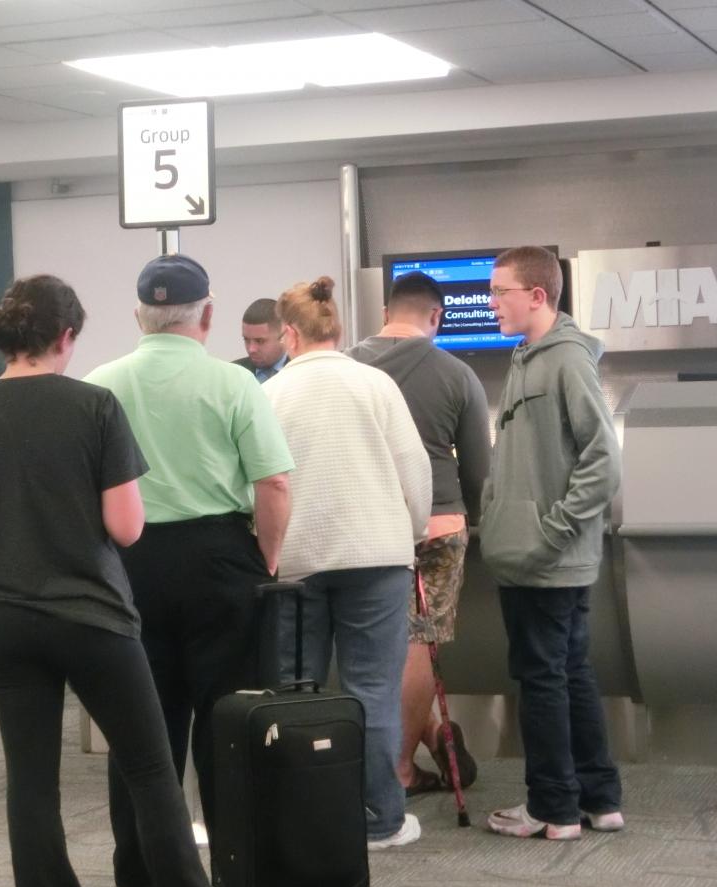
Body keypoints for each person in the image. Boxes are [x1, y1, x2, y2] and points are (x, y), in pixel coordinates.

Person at [0, 274, 271, 887]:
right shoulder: (94, 406)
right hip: (93, 617)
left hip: (3, 616)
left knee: (31, 785)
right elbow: (127, 526)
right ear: (65, 336)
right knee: (151, 771)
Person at [85, 255, 294, 887]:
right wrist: (265, 561)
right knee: (227, 720)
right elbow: (274, 484)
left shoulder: (99, 386)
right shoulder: (235, 384)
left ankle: (138, 871)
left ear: (138, 316)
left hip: (130, 564)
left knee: (141, 727)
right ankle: (235, 869)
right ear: (207, 316)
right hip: (221, 561)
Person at [263, 276, 432, 850]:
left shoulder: (270, 394)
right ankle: (381, 820)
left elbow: (257, 484)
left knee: (297, 693)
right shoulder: (376, 384)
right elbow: (415, 471)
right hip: (378, 558)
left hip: (296, 563)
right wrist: (408, 533)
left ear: (290, 334)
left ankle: (302, 817)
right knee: (373, 692)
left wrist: (267, 550)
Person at [479, 245, 624, 841]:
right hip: (536, 552)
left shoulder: (565, 359)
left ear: (537, 295)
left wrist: (554, 529)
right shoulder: (527, 357)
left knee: (543, 677)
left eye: (500, 292)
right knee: (569, 672)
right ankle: (598, 799)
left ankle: (554, 809)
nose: (491, 303)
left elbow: (603, 460)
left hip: (545, 556)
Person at [348, 271, 491, 797]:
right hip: (435, 524)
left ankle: (426, 733)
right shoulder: (456, 373)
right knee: (417, 642)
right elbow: (478, 470)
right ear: (436, 317)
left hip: (361, 526)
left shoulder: (345, 366)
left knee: (369, 644)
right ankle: (400, 769)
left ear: (387, 312)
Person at [233, 297, 288, 382]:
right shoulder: (234, 373)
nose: (251, 349)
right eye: (246, 340)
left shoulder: (302, 371)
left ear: (283, 336)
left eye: (260, 341)